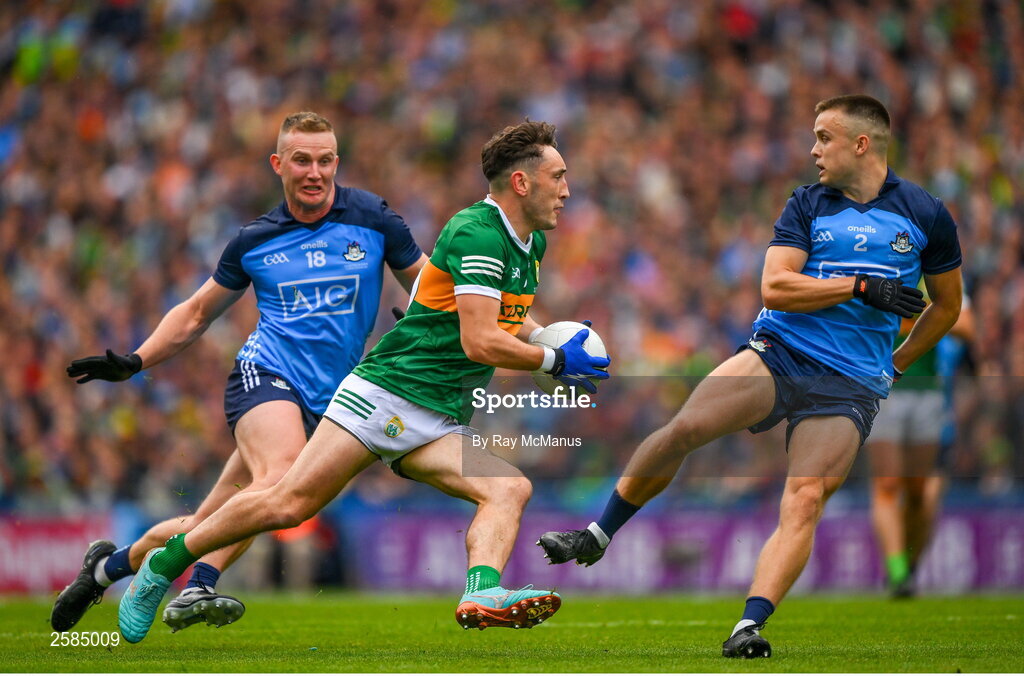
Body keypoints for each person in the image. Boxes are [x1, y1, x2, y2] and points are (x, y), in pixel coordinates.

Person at [115, 119, 611, 643]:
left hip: (439, 415)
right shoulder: (478, 231)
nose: (567, 189)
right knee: (287, 504)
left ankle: (482, 594)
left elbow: (507, 319)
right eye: (558, 176)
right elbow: (480, 342)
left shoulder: (528, 245)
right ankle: (163, 566)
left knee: (509, 487)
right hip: (387, 394)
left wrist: (553, 340)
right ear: (521, 182)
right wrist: (554, 361)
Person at [538, 95, 963, 658]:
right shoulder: (808, 204)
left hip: (853, 384)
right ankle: (597, 534)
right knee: (685, 429)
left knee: (805, 499)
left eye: (824, 137)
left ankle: (748, 627)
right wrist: (860, 287)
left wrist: (897, 363)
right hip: (781, 350)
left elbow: (948, 307)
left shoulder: (926, 214)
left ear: (862, 144)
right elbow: (776, 287)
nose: (813, 149)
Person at [52, 111, 427, 634]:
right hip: (265, 375)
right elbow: (197, 312)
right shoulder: (255, 240)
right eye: (301, 160)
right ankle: (196, 583)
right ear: (279, 164)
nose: (314, 171)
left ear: (336, 162)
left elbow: (427, 286)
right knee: (279, 481)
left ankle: (107, 567)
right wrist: (138, 360)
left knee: (222, 517)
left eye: (324, 160)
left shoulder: (375, 219)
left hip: (331, 402)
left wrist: (426, 318)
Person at [867, 292, 974, 598]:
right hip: (883, 390)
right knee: (887, 484)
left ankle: (909, 569)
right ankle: (898, 572)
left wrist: (930, 312)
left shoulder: (940, 281)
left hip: (929, 393)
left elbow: (967, 326)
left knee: (919, 493)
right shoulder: (878, 270)